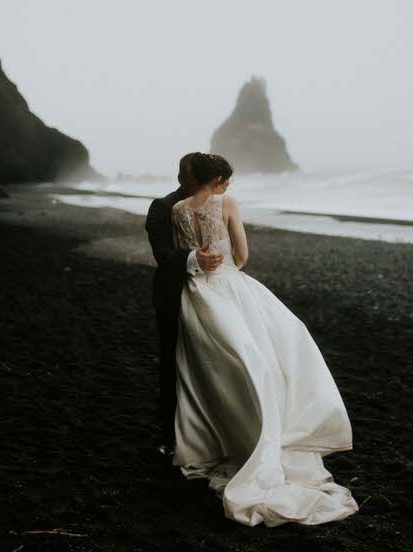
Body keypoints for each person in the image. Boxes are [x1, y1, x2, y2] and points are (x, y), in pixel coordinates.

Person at [169, 152, 359, 526]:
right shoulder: (226, 203)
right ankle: (260, 433)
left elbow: (182, 254)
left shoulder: (176, 209)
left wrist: (201, 264)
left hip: (194, 293)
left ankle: (211, 440)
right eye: (228, 180)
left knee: (204, 370)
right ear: (219, 178)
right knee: (268, 351)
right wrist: (225, 268)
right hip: (225, 286)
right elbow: (242, 255)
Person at [144, 153, 225, 456]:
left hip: (211, 297)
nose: (191, 179)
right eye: (188, 174)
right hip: (173, 296)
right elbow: (163, 256)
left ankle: (208, 433)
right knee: (172, 365)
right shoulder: (162, 208)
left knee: (210, 365)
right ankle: (170, 435)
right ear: (181, 178)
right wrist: (194, 258)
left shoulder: (217, 205)